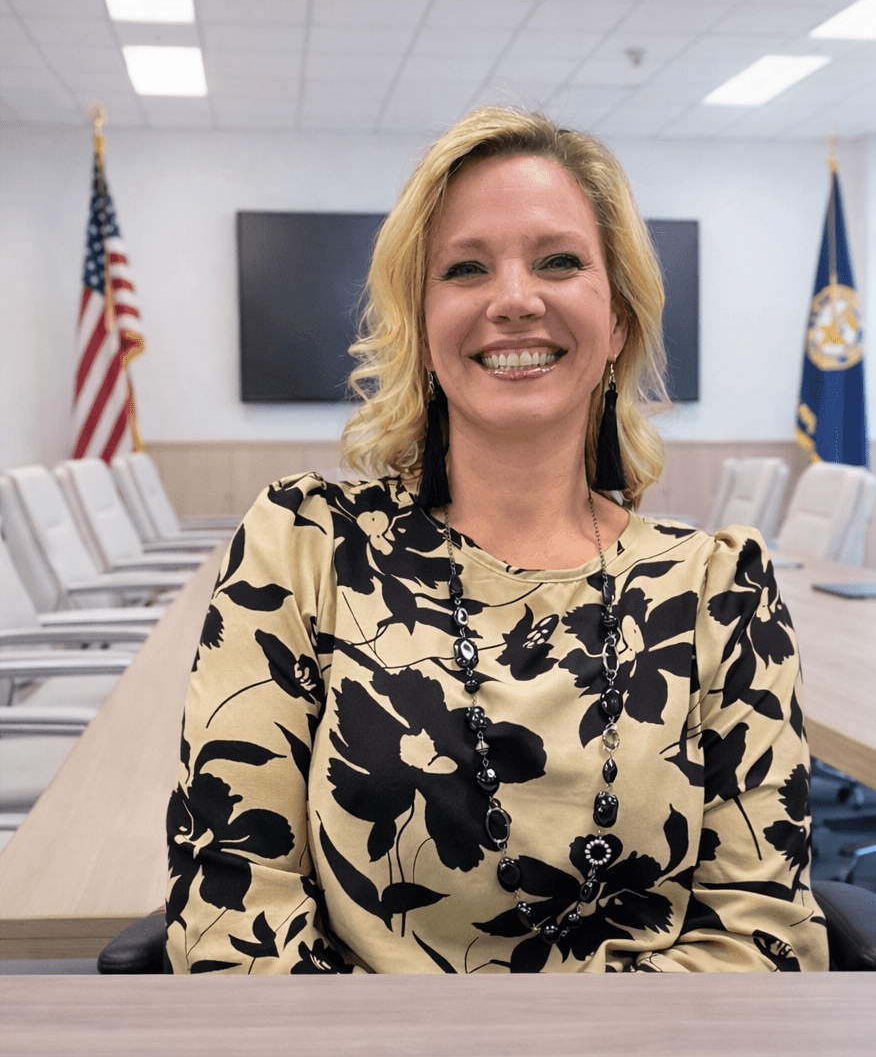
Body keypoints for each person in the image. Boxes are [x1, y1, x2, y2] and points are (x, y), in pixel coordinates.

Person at [166, 108, 827, 975]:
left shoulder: (718, 589)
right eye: (466, 268)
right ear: (423, 327)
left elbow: (764, 937)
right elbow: (231, 908)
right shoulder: (305, 547)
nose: (515, 299)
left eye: (558, 261)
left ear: (620, 318)